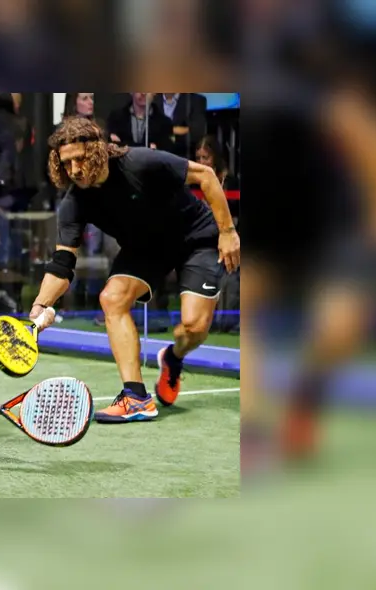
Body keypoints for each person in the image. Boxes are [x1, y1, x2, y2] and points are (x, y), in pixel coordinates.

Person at [31, 117, 240, 423]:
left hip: (195, 238)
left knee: (193, 328)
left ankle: (173, 358)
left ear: (97, 151)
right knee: (112, 299)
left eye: (79, 159)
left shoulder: (140, 162)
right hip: (145, 250)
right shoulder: (75, 203)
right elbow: (62, 263)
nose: (74, 170)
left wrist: (227, 231)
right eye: (66, 164)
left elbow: (206, 176)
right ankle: (136, 397)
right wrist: (40, 305)